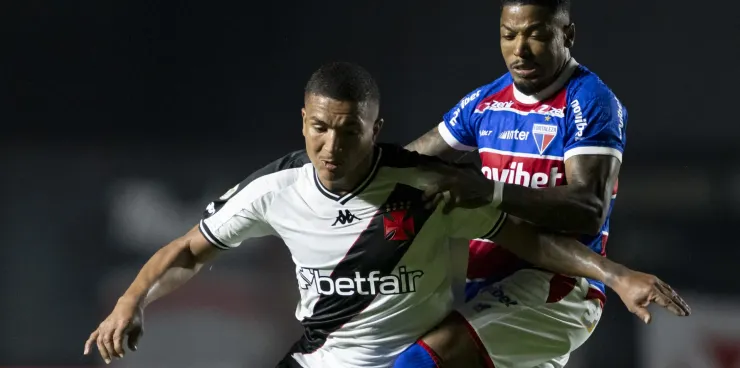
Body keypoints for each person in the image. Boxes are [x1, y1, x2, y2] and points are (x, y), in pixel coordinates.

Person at [82, 62, 687, 368]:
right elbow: (188, 249)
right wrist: (130, 302)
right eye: (319, 129)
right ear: (303, 122)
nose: (332, 146)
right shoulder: (275, 188)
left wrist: (615, 275)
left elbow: (531, 242)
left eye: (349, 132)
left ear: (376, 129)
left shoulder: (424, 187)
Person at [400, 0, 651, 368]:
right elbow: (407, 163)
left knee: (418, 363)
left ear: (566, 35)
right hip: (483, 285)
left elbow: (588, 209)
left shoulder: (589, 101)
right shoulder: (487, 102)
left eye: (535, 34)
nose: (520, 49)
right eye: (508, 34)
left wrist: (490, 191)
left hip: (557, 288)